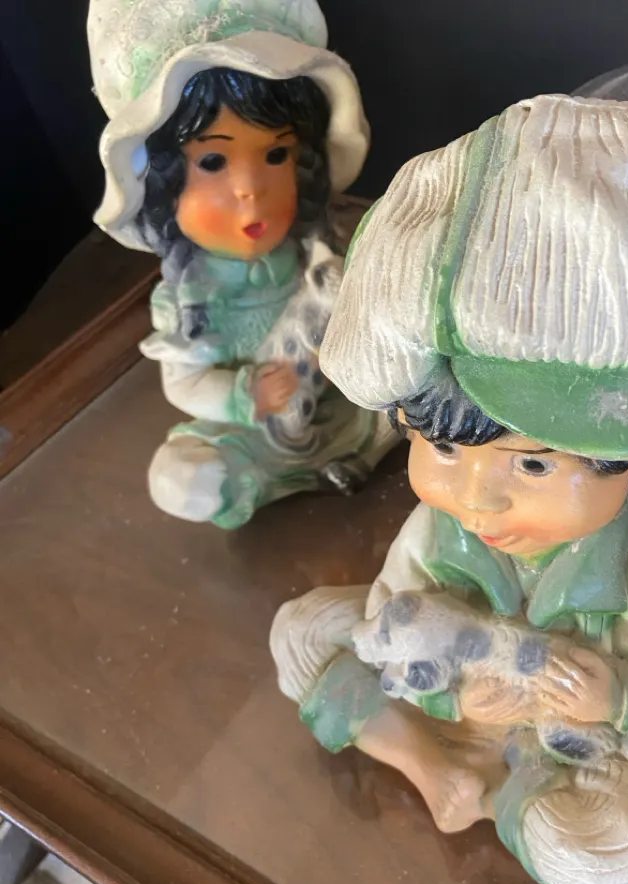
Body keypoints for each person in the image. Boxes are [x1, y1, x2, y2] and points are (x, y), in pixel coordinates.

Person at [271, 94, 628, 884]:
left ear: (625, 461)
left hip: (569, 747)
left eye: (532, 465)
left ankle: (508, 799)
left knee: (617, 857)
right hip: (453, 710)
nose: (478, 499)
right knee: (302, 632)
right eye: (443, 449)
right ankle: (433, 771)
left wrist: (620, 697)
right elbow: (390, 618)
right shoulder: (435, 529)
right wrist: (451, 695)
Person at [87, 0, 398, 527]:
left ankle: (360, 451)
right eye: (212, 161)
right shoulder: (190, 299)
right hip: (256, 427)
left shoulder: (317, 253)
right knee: (183, 479)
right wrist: (244, 395)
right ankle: (282, 473)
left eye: (276, 155)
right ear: (161, 182)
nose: (250, 189)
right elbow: (184, 382)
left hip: (340, 404)